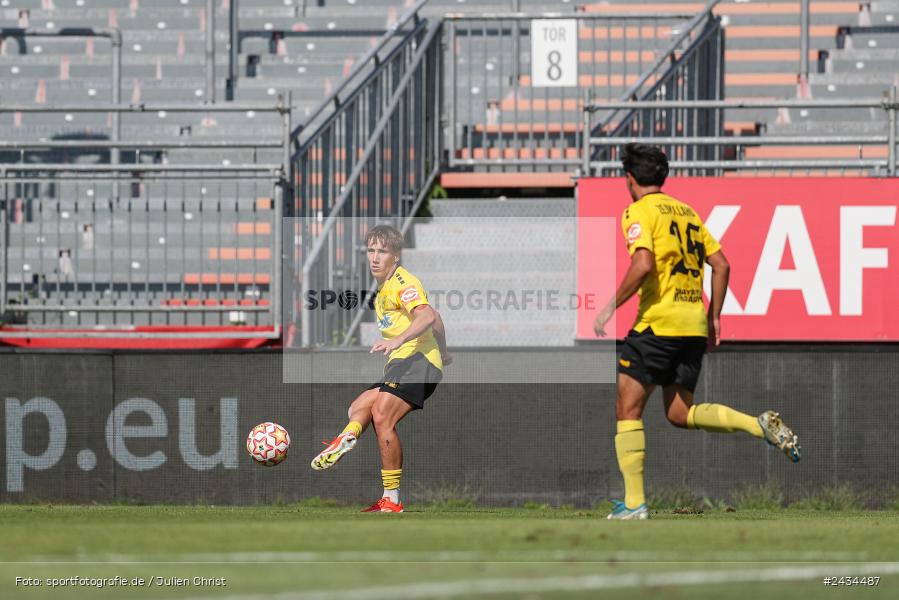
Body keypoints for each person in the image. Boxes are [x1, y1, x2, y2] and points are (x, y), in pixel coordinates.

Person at [593, 143, 801, 521]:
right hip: (692, 325)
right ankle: (757, 425)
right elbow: (721, 265)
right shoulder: (687, 213)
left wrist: (610, 306)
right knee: (679, 412)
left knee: (627, 408)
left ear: (629, 178)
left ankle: (636, 504)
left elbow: (642, 264)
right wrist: (714, 318)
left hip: (658, 323)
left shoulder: (638, 211)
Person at [311, 224, 451, 513]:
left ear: (396, 256)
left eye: (382, 251)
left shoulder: (403, 282)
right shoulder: (385, 287)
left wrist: (400, 339)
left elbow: (425, 316)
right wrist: (446, 351)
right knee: (358, 407)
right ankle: (347, 436)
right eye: (371, 250)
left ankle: (392, 499)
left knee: (381, 416)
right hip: (407, 363)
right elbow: (436, 318)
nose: (375, 257)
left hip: (418, 360)